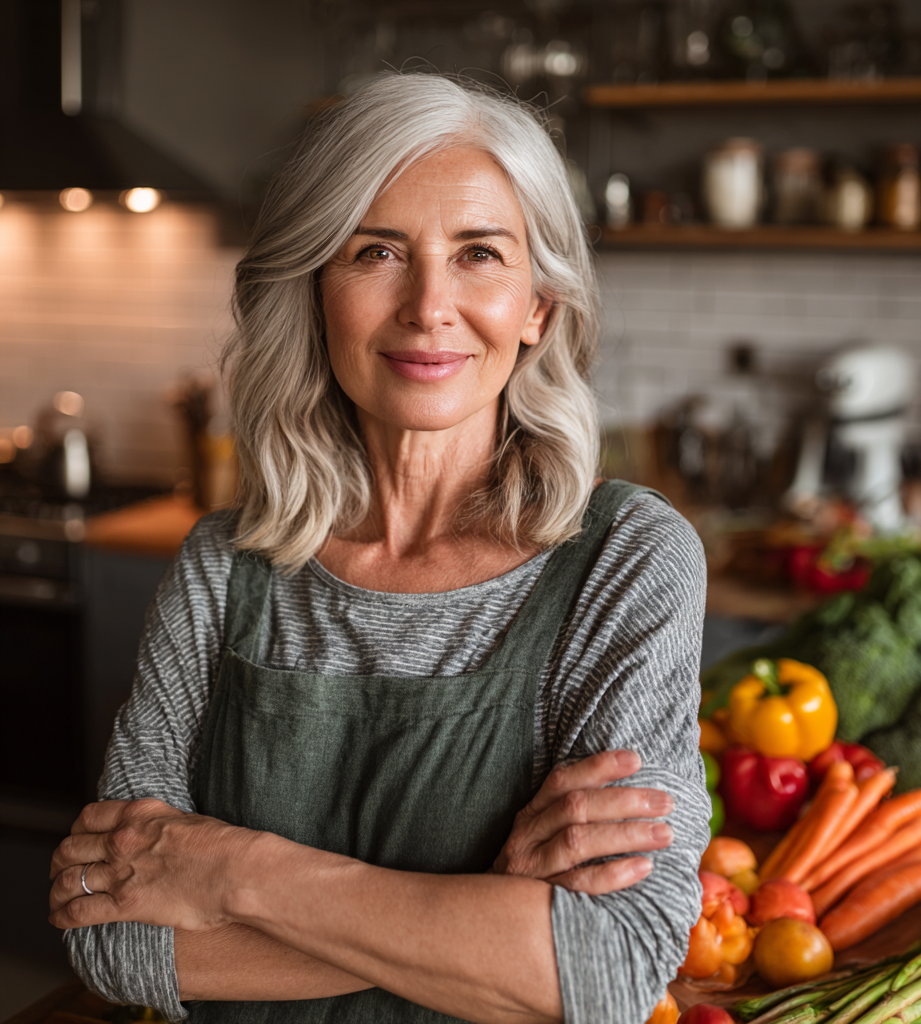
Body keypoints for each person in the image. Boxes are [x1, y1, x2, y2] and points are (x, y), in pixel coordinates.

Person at [48, 73, 708, 1024]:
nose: (429, 305)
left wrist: (234, 872)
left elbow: (613, 969)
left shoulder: (627, 561)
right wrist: (483, 903)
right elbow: (110, 937)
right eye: (376, 252)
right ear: (317, 289)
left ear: (539, 308)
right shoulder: (224, 564)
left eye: (480, 253)